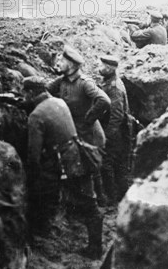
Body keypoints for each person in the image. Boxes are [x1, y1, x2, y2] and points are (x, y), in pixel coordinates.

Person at [48, 47, 109, 258]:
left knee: (87, 189)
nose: (59, 62)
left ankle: (95, 247)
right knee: (84, 184)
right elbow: (44, 91)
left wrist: (88, 119)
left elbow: (104, 101)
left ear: (72, 65)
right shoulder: (62, 81)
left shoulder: (84, 83)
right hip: (73, 140)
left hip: (85, 142)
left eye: (62, 60)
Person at [24, 77, 77, 238]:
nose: (22, 95)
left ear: (31, 92)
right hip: (74, 155)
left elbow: (34, 156)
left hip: (58, 162)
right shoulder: (59, 101)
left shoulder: (36, 116)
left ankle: (41, 230)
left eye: (24, 92)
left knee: (37, 189)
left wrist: (30, 178)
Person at [98, 55, 133, 204]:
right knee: (119, 166)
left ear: (109, 69)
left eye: (101, 66)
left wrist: (105, 137)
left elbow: (117, 116)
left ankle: (113, 200)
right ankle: (121, 198)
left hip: (117, 132)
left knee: (109, 164)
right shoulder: (109, 83)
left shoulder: (115, 88)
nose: (99, 68)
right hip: (117, 131)